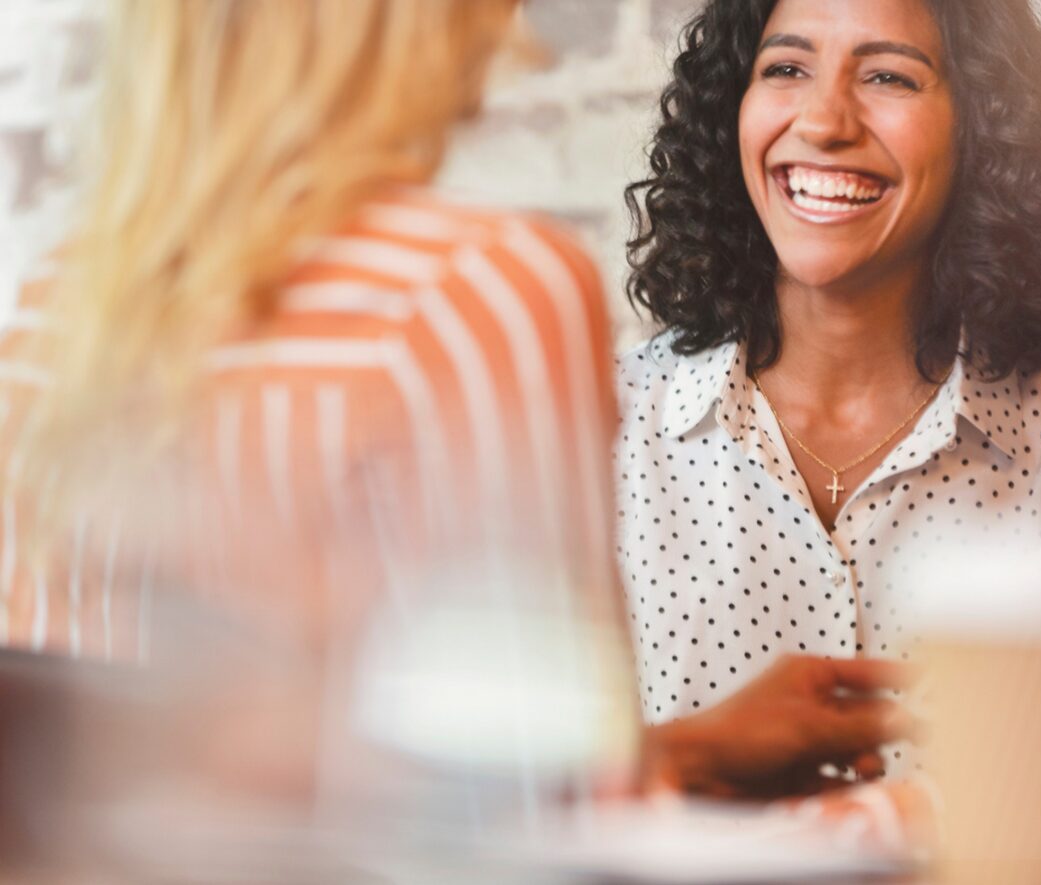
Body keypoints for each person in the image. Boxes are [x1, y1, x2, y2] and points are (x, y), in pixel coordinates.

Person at [0, 0, 909, 845]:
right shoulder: (468, 292)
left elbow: (200, 775)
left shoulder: (53, 319)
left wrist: (682, 751)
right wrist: (902, 815)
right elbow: (537, 825)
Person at [617, 0, 1041, 777]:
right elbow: (501, 799)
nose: (824, 120)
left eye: (888, 77)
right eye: (786, 67)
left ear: (981, 124)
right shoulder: (594, 438)